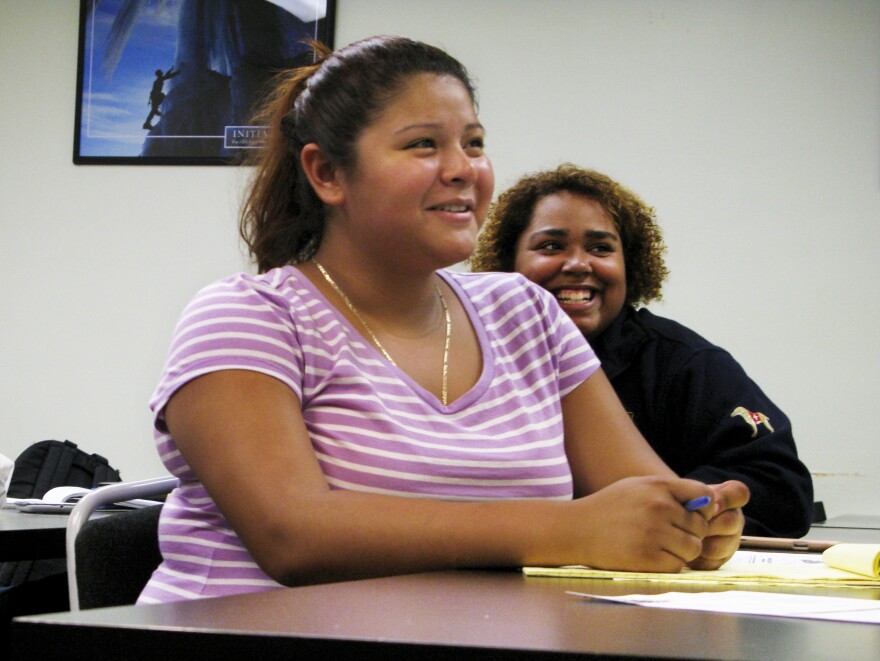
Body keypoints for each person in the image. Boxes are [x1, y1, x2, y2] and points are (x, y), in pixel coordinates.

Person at [138, 37, 748, 604]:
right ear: (326, 173)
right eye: (423, 144)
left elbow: (648, 497)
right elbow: (294, 537)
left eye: (474, 143)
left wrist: (693, 522)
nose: (464, 169)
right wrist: (575, 528)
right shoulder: (247, 316)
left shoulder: (525, 311)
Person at [469, 163, 812, 538]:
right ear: (507, 262)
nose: (578, 264)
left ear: (629, 267)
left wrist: (684, 508)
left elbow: (781, 491)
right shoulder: (466, 354)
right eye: (551, 246)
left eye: (601, 248)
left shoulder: (687, 364)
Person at [143, 65, 180, 130]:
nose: (162, 72)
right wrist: (177, 72)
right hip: (156, 95)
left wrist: (171, 69)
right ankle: (147, 123)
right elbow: (168, 76)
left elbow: (166, 76)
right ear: (159, 74)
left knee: (154, 110)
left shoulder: (158, 79)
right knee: (158, 106)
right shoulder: (159, 79)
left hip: (154, 96)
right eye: (161, 72)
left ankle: (147, 123)